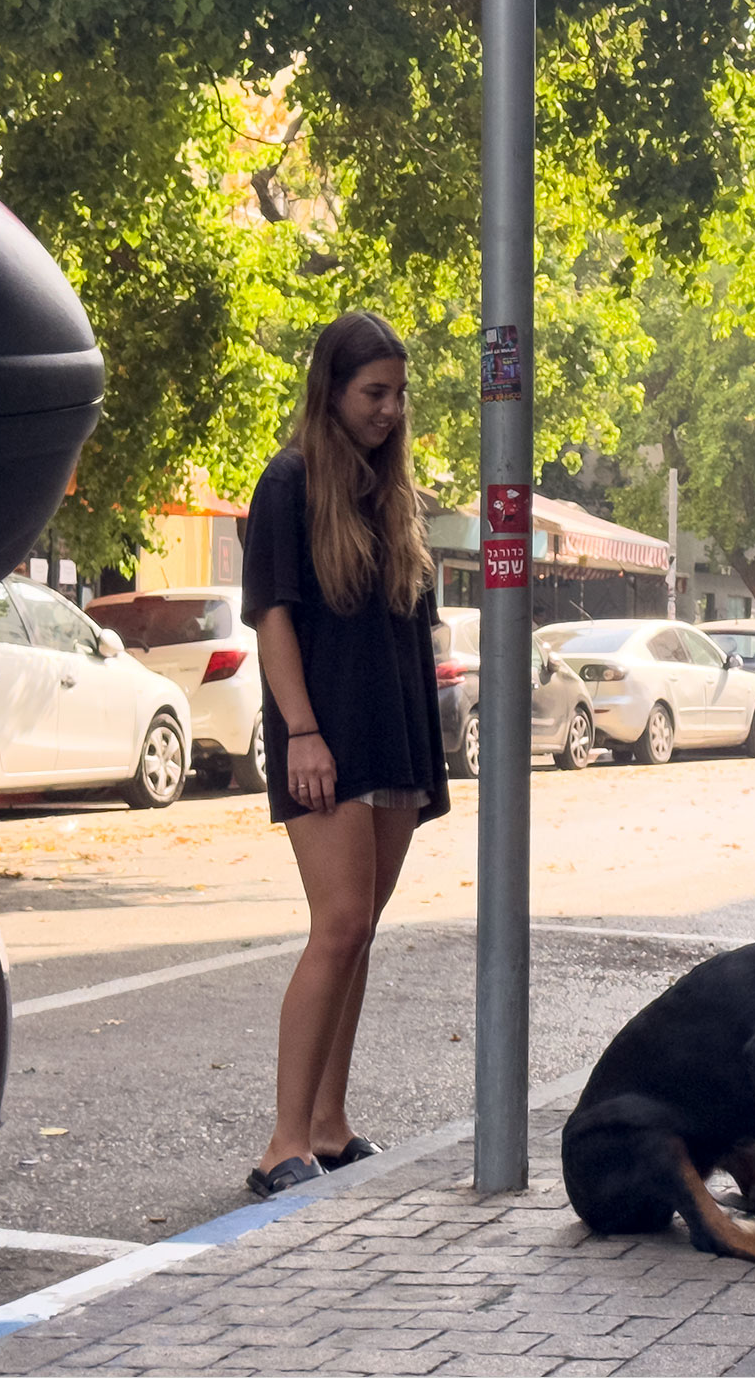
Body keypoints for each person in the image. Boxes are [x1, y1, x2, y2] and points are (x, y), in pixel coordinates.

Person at [239, 310, 451, 1199]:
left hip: (395, 732)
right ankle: (280, 1141)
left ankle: (329, 1124)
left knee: (359, 933)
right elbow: (274, 617)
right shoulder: (287, 482)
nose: (390, 410)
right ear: (330, 389)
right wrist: (302, 732)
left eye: (399, 394)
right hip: (325, 736)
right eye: (375, 392)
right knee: (336, 929)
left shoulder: (388, 490)